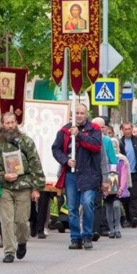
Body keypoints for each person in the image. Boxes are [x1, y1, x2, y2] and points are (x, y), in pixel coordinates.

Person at [0, 112, 45, 263]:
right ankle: (9, 251)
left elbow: (35, 164)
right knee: (6, 220)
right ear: (2, 124)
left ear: (16, 123)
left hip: (23, 185)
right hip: (5, 186)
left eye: (12, 122)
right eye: (7, 123)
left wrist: (36, 188)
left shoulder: (26, 141)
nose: (10, 126)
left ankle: (22, 241)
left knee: (21, 221)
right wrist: (2, 176)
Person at [51, 104, 107, 250]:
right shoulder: (64, 131)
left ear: (86, 114)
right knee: (72, 207)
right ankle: (75, 237)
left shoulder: (94, 129)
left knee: (87, 203)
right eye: (77, 113)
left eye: (82, 113)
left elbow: (96, 146)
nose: (79, 116)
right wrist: (66, 160)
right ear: (72, 115)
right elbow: (56, 149)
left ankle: (87, 234)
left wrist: (79, 135)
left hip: (89, 173)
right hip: (71, 173)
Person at [119, 122, 137, 228]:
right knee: (125, 197)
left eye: (129, 129)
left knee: (134, 195)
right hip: (123, 174)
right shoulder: (120, 142)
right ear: (122, 130)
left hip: (135, 172)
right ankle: (126, 218)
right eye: (125, 129)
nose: (128, 131)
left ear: (132, 129)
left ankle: (133, 217)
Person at [107, 137, 130, 238]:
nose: (114, 148)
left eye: (115, 146)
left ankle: (117, 228)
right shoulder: (105, 159)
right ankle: (111, 229)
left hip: (117, 188)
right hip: (107, 188)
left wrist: (121, 188)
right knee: (108, 208)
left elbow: (124, 175)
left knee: (116, 206)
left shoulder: (121, 160)